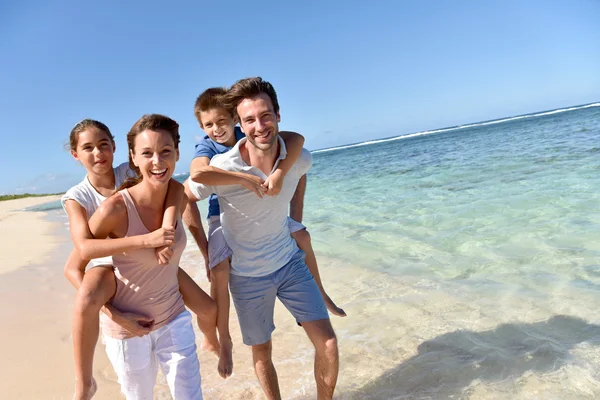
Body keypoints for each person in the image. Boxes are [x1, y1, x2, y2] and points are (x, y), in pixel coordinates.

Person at [186, 77, 339, 400]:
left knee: (328, 344)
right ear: (240, 124)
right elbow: (186, 193)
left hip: (289, 264)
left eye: (266, 115)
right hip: (246, 276)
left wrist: (295, 216)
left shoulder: (297, 156)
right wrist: (196, 242)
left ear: (278, 115)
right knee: (262, 353)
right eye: (250, 119)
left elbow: (301, 168)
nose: (260, 125)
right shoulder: (222, 166)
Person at [62, 119, 214, 399]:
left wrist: (167, 230)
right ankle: (84, 382)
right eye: (88, 148)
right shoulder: (78, 197)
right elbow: (81, 252)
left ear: (116, 147)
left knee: (208, 307)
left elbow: (176, 189)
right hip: (106, 265)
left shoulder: (133, 169)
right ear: (76, 154)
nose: (98, 154)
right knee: (86, 298)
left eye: (103, 145)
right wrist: (113, 312)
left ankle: (215, 342)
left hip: (150, 261)